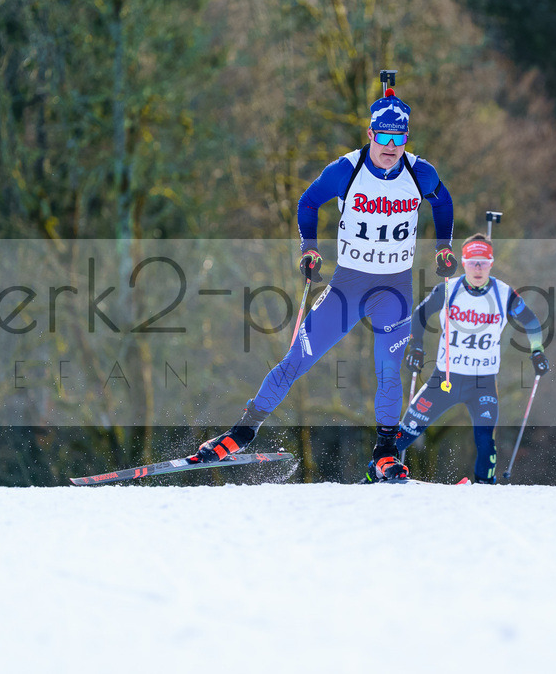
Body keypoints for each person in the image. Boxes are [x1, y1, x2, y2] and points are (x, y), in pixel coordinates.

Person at [188, 82, 456, 482]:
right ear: (370, 134)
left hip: (394, 290)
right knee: (297, 358)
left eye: (397, 138)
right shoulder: (346, 171)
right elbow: (308, 202)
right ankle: (240, 434)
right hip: (348, 286)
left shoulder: (421, 173)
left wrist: (443, 246)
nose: (389, 146)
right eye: (382, 136)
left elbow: (443, 200)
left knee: (388, 370)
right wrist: (308, 249)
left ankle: (385, 453)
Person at [373, 234, 549, 484]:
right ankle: (374, 471)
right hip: (445, 379)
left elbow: (531, 322)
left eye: (483, 262)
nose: (478, 268)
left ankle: (484, 491)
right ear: (464, 262)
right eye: (472, 262)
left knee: (485, 441)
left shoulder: (503, 293)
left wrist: (537, 349)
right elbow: (420, 315)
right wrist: (416, 346)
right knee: (405, 432)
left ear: (491, 263)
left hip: (483, 383)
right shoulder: (447, 289)